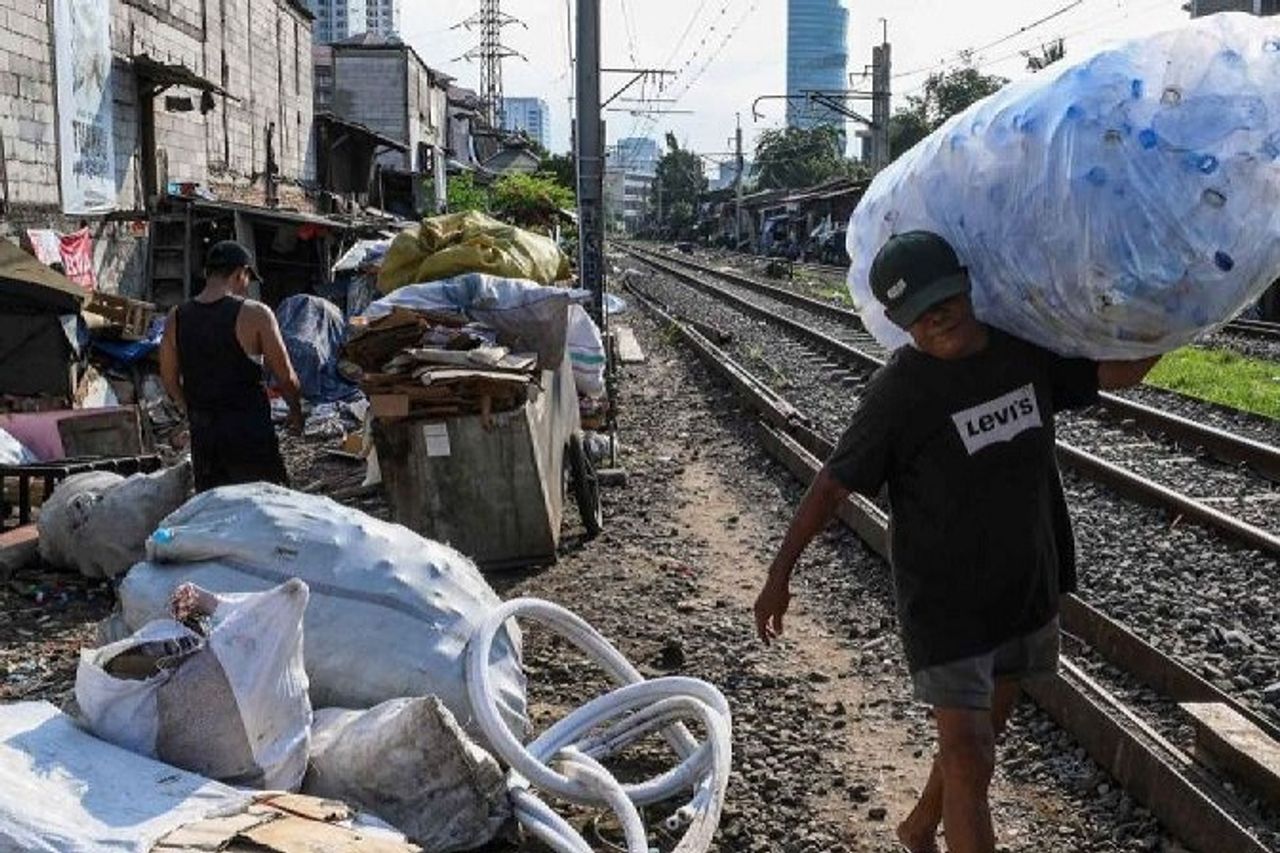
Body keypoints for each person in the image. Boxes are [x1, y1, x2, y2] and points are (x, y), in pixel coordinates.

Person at [752, 231, 1160, 853]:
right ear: (897, 321)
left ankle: (919, 827)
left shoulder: (1022, 354)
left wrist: (1181, 317)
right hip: (946, 605)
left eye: (942, 299)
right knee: (970, 758)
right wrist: (780, 574)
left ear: (966, 284)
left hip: (1025, 588)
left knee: (978, 745)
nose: (935, 317)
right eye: (916, 312)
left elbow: (1114, 373)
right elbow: (833, 484)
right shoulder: (901, 392)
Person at [159, 240, 303, 493]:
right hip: (250, 435)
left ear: (207, 273)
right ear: (240, 273)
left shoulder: (176, 317)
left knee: (217, 512)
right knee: (264, 509)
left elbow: (169, 379)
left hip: (205, 439)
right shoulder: (256, 314)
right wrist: (295, 412)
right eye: (248, 279)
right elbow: (286, 377)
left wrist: (190, 409)